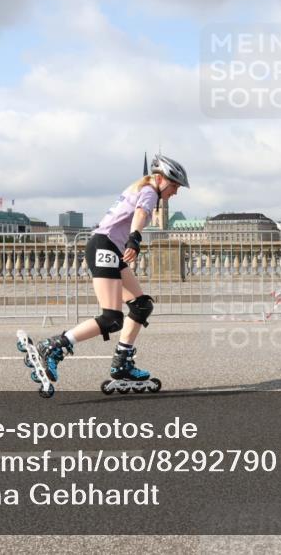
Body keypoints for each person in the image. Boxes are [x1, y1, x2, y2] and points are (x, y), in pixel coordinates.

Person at [34, 154, 189, 389]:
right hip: (104, 246)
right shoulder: (149, 191)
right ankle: (55, 346)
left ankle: (122, 363)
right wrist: (135, 238)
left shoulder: (142, 187)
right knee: (111, 318)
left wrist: (129, 241)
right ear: (161, 179)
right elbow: (139, 214)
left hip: (111, 248)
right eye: (175, 186)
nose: (175, 193)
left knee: (141, 305)